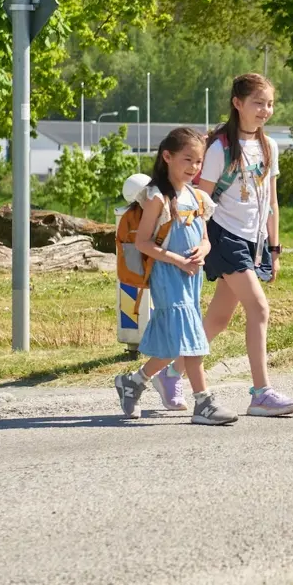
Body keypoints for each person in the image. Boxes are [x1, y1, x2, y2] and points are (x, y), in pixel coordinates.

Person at [113, 127, 238, 425]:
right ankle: (204, 402)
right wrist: (178, 261)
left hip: (190, 276)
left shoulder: (197, 197)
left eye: (198, 162)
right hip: (168, 275)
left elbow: (206, 238)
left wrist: (202, 251)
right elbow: (144, 242)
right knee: (191, 337)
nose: (194, 168)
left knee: (174, 344)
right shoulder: (157, 198)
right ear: (167, 157)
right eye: (187, 160)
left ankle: (134, 381)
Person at [199, 73, 293, 417]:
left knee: (218, 318)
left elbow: (271, 201)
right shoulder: (219, 148)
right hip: (224, 236)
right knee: (259, 308)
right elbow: (200, 199)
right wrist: (198, 243)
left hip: (252, 240)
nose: (265, 110)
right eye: (258, 103)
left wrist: (274, 248)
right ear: (237, 103)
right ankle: (261, 392)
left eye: (270, 103)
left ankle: (156, 374)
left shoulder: (269, 147)